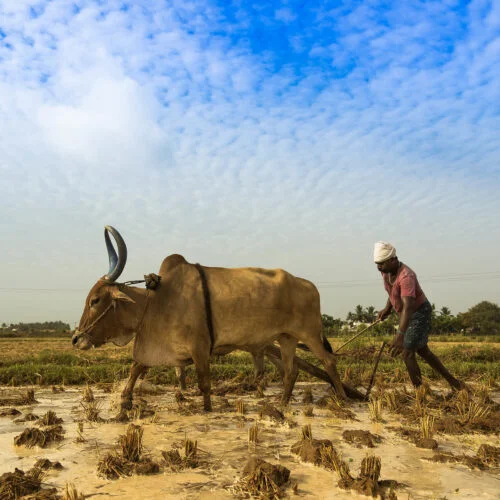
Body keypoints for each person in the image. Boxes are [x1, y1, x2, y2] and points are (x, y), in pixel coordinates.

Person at [373, 241, 465, 391]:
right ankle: (455, 383)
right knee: (423, 351)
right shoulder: (386, 272)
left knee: (408, 352)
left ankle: (420, 392)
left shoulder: (406, 276)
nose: (379, 267)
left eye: (381, 264)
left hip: (418, 313)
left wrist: (400, 335)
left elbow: (408, 307)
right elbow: (393, 292)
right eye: (377, 264)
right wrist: (387, 308)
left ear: (392, 259)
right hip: (407, 314)